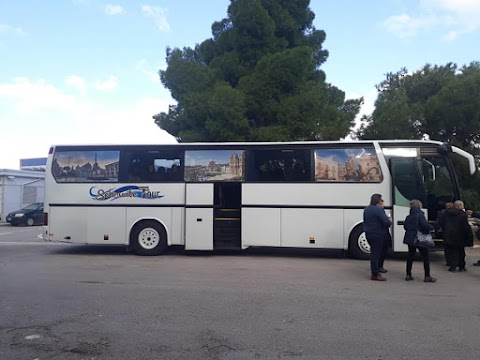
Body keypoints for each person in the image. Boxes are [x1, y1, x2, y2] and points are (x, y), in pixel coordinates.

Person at [403, 199, 436, 282]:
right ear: (419, 206)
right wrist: (432, 227)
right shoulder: (420, 215)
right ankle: (427, 276)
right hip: (419, 238)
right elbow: (425, 225)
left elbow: (405, 227)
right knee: (425, 257)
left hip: (410, 238)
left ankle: (408, 274)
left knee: (410, 256)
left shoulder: (409, 216)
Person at [436, 200, 473, 272]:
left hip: (448, 235)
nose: (463, 207)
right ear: (458, 206)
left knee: (452, 252)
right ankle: (461, 266)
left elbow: (439, 223)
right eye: (462, 205)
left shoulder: (445, 213)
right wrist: (469, 236)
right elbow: (466, 227)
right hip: (460, 236)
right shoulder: (462, 215)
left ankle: (453, 267)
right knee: (461, 252)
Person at [363, 194, 392, 281]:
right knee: (375, 254)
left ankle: (376, 270)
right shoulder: (379, 210)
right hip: (378, 234)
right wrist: (390, 221)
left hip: (369, 233)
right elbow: (386, 222)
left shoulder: (367, 209)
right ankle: (375, 273)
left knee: (374, 253)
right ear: (379, 201)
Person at [435, 202, 454, 267]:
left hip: (445, 231)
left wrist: (437, 230)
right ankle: (455, 261)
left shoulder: (442, 213)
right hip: (455, 232)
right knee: (454, 247)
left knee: (447, 247)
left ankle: (448, 261)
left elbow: (438, 223)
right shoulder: (457, 213)